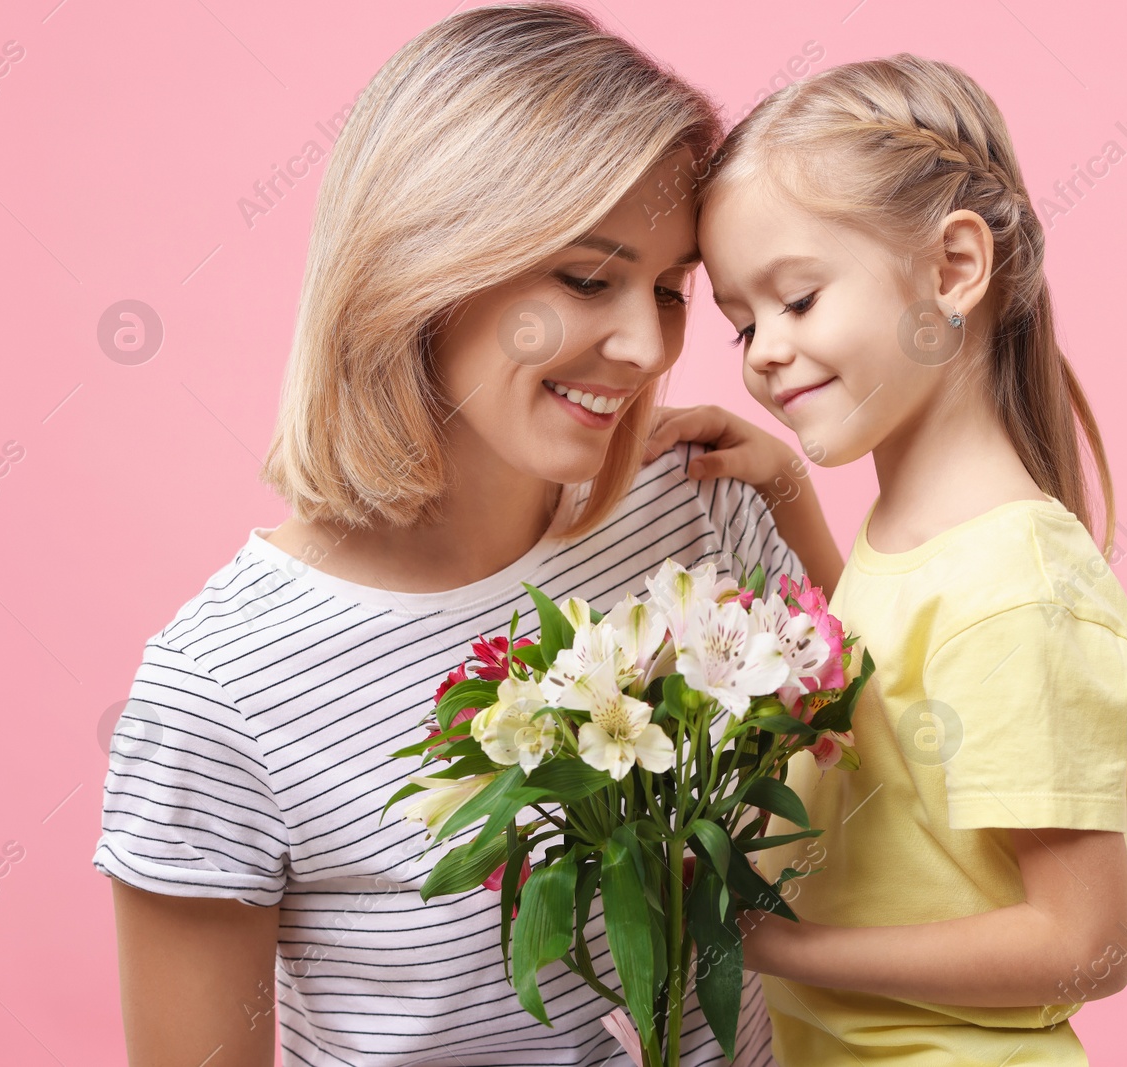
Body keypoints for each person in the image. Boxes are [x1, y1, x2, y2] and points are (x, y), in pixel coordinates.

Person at [91, 6, 841, 1065]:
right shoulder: (220, 690)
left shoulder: (699, 508)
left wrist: (798, 506)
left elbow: (889, 798)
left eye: (670, 290)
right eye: (587, 277)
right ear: (424, 267)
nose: (641, 343)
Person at [685, 53, 1127, 1065]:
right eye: (742, 325)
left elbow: (1085, 942)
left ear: (951, 270)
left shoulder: (1013, 589)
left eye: (798, 300)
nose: (762, 349)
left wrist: (779, 946)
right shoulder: (925, 537)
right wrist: (787, 493)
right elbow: (881, 694)